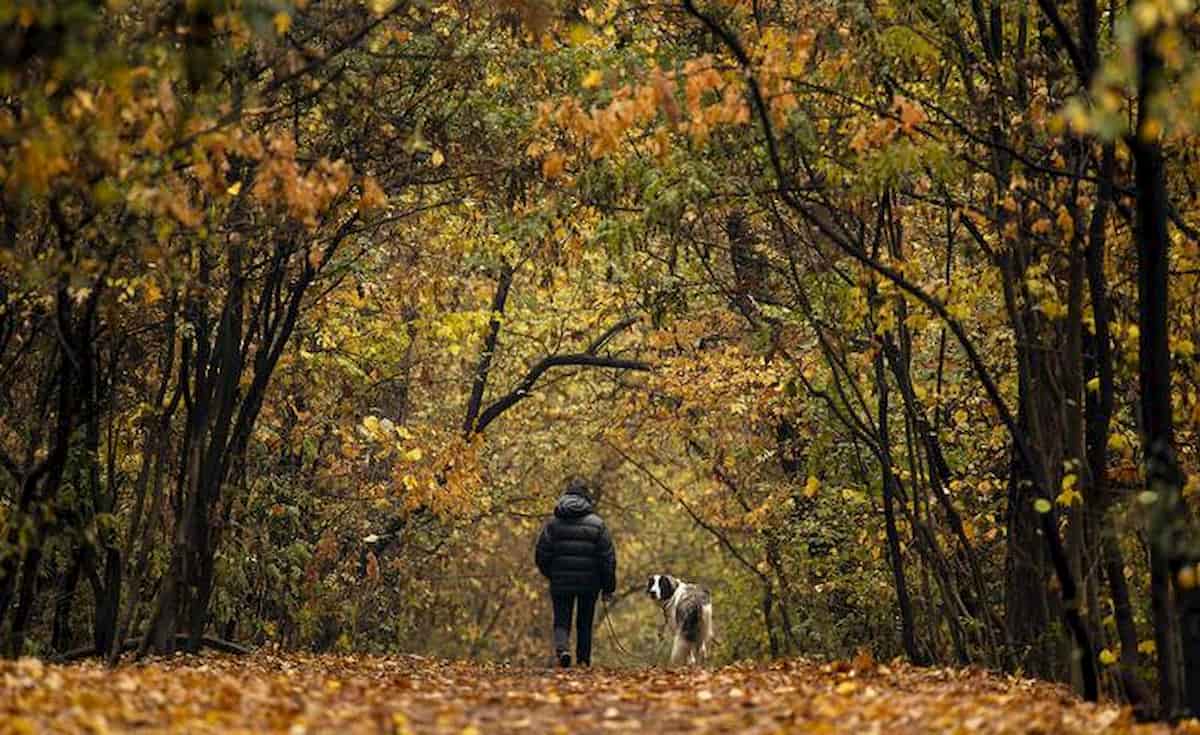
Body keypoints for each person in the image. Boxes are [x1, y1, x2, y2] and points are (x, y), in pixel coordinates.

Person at [534, 477, 617, 668]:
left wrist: (552, 573)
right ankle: (583, 662)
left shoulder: (553, 524)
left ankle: (563, 650)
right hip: (590, 583)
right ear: (586, 498)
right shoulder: (598, 524)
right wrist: (608, 587)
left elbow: (541, 554)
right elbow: (608, 559)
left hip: (561, 581)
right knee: (584, 623)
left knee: (562, 620)